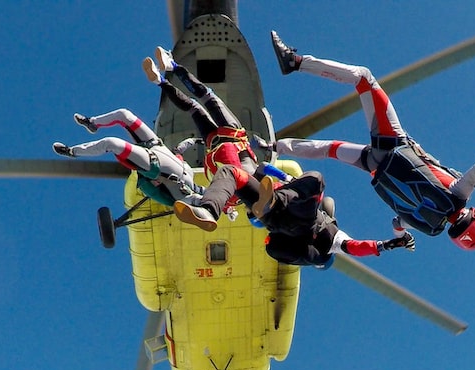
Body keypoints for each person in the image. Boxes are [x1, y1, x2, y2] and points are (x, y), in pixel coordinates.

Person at [267, 32, 475, 251]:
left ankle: (296, 63)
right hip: (376, 168)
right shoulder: (430, 226)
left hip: (393, 145)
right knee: (330, 150)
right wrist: (401, 239)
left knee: (364, 79)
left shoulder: (459, 194)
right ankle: (272, 147)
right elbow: (397, 222)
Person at [184, 163, 415, 267]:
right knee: (231, 173)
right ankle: (208, 210)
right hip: (273, 218)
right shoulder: (330, 241)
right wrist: (388, 244)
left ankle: (271, 202)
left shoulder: (331, 238)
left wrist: (386, 245)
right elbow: (355, 247)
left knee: (316, 178)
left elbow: (354, 246)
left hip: (293, 220)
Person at [142, 47, 265, 230]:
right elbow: (202, 192)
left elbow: (265, 167)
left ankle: (173, 66)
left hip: (232, 136)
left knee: (207, 96)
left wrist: (286, 177)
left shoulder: (253, 182)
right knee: (193, 108)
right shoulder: (228, 198)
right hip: (214, 146)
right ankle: (160, 82)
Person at [52, 108, 205, 210]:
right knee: (124, 114)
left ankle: (71, 151)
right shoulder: (186, 169)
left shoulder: (181, 191)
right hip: (155, 145)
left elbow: (189, 202)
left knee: (112, 143)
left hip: (153, 164)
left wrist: (221, 206)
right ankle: (92, 123)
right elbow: (181, 148)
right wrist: (197, 141)